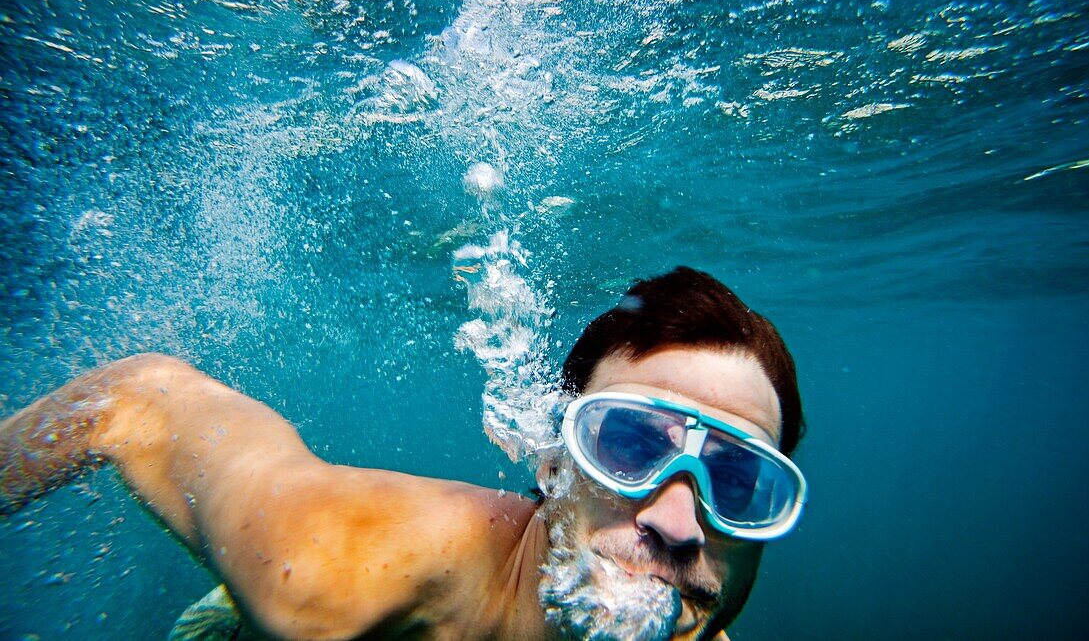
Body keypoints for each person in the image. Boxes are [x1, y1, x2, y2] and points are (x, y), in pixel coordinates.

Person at [0, 266, 806, 641]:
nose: (677, 521)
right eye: (627, 442)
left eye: (737, 480)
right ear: (552, 460)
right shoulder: (332, 566)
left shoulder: (681, 617)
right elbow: (136, 398)